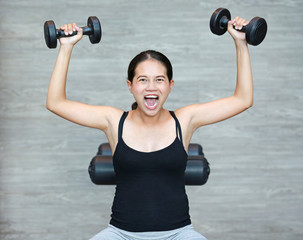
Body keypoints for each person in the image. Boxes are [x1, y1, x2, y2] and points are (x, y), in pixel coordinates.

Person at [46, 15, 252, 240]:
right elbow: (56, 103)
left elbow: (243, 99)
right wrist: (65, 47)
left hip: (179, 234)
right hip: (120, 234)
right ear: (130, 86)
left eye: (159, 80)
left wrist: (241, 43)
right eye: (142, 80)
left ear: (170, 85)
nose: (151, 87)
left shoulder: (185, 120)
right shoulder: (113, 121)